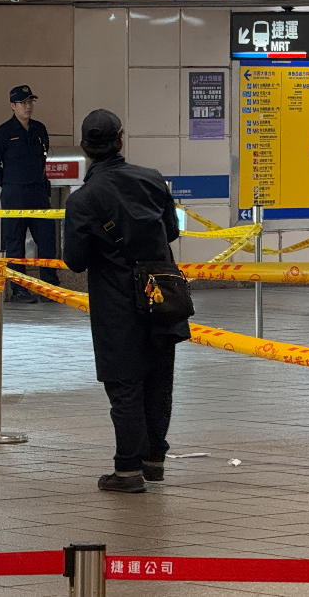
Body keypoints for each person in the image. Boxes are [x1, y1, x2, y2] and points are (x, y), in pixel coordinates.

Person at [63, 110, 190, 493]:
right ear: (121, 140)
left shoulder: (83, 199)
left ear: (85, 148)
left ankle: (128, 470)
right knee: (159, 380)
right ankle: (154, 460)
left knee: (125, 384)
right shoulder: (152, 179)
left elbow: (75, 260)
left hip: (116, 303)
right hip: (161, 295)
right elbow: (171, 231)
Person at [0, 85, 58, 303]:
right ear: (13, 106)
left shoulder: (39, 129)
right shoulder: (4, 133)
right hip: (14, 194)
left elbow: (43, 157)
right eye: (23, 103)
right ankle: (20, 289)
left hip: (38, 192)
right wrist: (8, 184)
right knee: (15, 242)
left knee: (46, 239)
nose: (28, 107)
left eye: (30, 102)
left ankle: (49, 286)